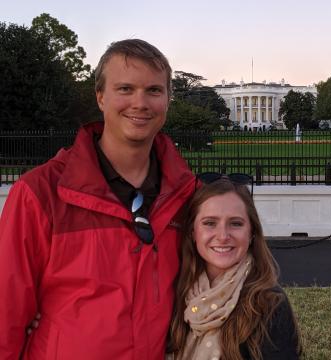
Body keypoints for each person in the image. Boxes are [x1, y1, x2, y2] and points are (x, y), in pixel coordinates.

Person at [0, 39, 195, 359]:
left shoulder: (187, 195)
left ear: (168, 100)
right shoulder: (39, 193)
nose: (140, 103)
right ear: (101, 97)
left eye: (154, 91)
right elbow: (6, 313)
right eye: (125, 89)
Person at [168, 176, 301, 360]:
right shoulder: (175, 294)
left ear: (252, 233)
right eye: (209, 223)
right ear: (193, 232)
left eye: (236, 224)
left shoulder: (269, 304)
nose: (223, 236)